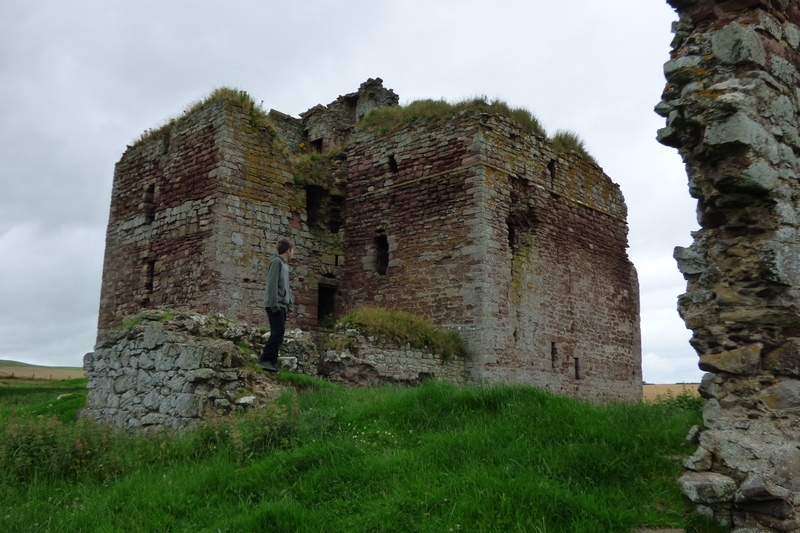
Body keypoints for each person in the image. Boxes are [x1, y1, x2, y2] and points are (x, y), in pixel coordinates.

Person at [258, 238, 294, 372]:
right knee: (277, 332)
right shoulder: (276, 262)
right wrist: (274, 304)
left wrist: (288, 304)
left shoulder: (284, 264)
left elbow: (285, 286)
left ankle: (272, 362)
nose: (293, 253)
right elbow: (272, 284)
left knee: (279, 333)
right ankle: (265, 359)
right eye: (293, 250)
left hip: (282, 304)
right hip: (275, 304)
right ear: (289, 250)